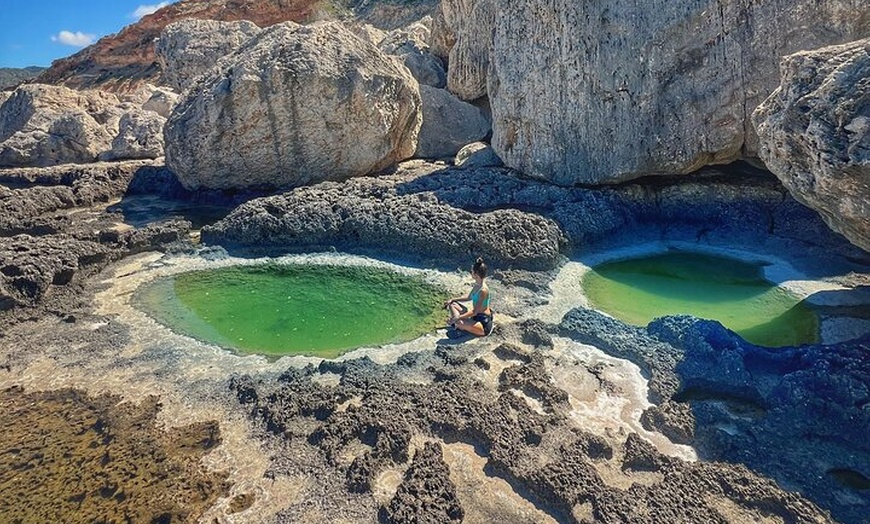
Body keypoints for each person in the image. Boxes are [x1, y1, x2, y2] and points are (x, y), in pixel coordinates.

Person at [443, 257, 493, 337]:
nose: (471, 273)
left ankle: (459, 328)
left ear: (476, 275)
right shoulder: (477, 285)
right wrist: (452, 299)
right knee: (452, 304)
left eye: (472, 271)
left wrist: (457, 318)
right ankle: (458, 325)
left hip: (483, 323)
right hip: (475, 317)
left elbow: (475, 312)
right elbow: (469, 298)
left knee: (458, 321)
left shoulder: (483, 290)